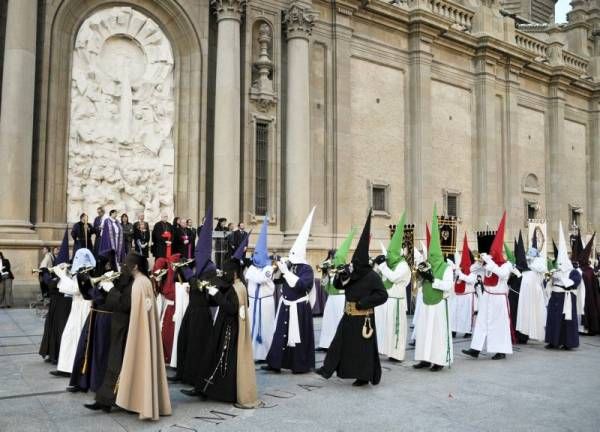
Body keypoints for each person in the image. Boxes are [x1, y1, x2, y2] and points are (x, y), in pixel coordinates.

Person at [316, 209, 388, 386]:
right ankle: (327, 369)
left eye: (357, 261)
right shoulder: (353, 273)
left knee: (362, 349)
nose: (354, 264)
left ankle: (363, 376)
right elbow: (339, 286)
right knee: (338, 343)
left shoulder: (372, 277)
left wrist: (364, 303)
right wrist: (342, 276)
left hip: (364, 318)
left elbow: (382, 295)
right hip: (348, 315)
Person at [113, 252, 172, 420]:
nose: (124, 266)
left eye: (127, 264)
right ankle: (142, 401)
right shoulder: (145, 282)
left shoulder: (140, 284)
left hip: (139, 331)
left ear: (136, 266)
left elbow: (138, 312)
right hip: (142, 331)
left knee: (140, 363)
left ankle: (142, 402)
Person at [263, 207, 316, 374]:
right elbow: (279, 280)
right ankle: (275, 362)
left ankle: (299, 365)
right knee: (280, 335)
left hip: (299, 308)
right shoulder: (290, 266)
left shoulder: (306, 269)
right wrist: (276, 270)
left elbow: (301, 285)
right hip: (286, 305)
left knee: (297, 336)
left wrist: (286, 272)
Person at [170, 207, 216, 384]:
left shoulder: (210, 269)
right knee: (184, 339)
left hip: (202, 311)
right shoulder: (198, 265)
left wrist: (188, 273)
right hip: (192, 309)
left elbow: (200, 287)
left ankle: (194, 377)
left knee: (197, 344)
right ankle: (182, 373)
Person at [85, 259, 135, 412]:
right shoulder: (124, 281)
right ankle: (104, 400)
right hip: (117, 327)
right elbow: (110, 302)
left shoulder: (134, 284)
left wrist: (112, 289)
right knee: (112, 365)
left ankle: (112, 400)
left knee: (119, 366)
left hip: (126, 329)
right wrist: (103, 288)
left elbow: (125, 304)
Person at [463, 212, 513, 360]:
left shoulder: (506, 265)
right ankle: (475, 348)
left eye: (493, 252)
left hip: (499, 298)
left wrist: (490, 263)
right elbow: (471, 270)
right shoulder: (486, 265)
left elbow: (503, 275)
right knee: (481, 321)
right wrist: (480, 262)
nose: (491, 254)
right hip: (487, 297)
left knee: (498, 324)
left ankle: (500, 350)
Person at [413, 205, 454, 371]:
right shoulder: (427, 264)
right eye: (430, 255)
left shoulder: (446, 268)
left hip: (439, 304)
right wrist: (421, 277)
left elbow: (448, 286)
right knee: (423, 331)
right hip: (426, 302)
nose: (431, 258)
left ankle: (438, 360)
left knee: (437, 332)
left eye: (434, 255)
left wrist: (433, 279)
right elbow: (420, 283)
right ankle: (424, 358)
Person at [68, 252, 115, 393]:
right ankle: (82, 382)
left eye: (105, 263)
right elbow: (88, 295)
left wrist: (104, 288)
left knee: (99, 352)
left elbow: (103, 299)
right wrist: (85, 283)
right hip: (94, 315)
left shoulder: (113, 278)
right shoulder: (101, 276)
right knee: (84, 348)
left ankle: (96, 383)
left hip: (105, 318)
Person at [51, 249, 95, 377]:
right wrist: (67, 273)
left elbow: (75, 289)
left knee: (76, 338)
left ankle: (74, 369)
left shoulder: (87, 272)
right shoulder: (80, 272)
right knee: (68, 336)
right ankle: (65, 367)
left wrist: (62, 275)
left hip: (83, 308)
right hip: (76, 307)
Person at [374, 212, 411, 362]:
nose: (388, 255)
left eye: (391, 253)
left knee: (396, 329)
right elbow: (381, 277)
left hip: (396, 301)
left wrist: (383, 266)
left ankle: (396, 353)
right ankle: (385, 350)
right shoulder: (388, 265)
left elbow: (394, 277)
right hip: (385, 300)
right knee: (385, 328)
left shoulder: (402, 265)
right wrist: (376, 265)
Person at [544, 221, 583, 350]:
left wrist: (562, 279)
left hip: (566, 299)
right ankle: (552, 341)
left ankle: (568, 342)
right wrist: (552, 278)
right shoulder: (556, 271)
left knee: (566, 322)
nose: (559, 265)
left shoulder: (574, 272)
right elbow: (549, 284)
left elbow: (573, 283)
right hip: (555, 298)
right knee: (553, 320)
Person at [243, 217, 276, 360]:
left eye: (258, 254)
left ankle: (267, 353)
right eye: (254, 253)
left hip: (265, 302)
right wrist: (257, 271)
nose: (255, 256)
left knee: (266, 328)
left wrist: (259, 272)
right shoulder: (251, 268)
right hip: (253, 302)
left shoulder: (269, 267)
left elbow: (263, 278)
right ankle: (253, 353)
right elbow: (252, 277)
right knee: (252, 327)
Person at [318, 228, 355, 351]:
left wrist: (340, 272)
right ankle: (326, 344)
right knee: (328, 321)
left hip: (341, 298)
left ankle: (341, 345)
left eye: (335, 258)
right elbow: (324, 284)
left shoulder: (347, 269)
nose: (333, 260)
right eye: (333, 257)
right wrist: (324, 274)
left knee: (339, 321)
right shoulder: (330, 268)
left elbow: (347, 282)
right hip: (331, 298)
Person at [39, 229, 73, 364]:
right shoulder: (58, 278)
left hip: (61, 307)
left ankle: (56, 355)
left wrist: (48, 275)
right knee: (54, 329)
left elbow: (52, 285)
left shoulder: (64, 278)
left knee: (58, 330)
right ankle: (52, 354)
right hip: (57, 307)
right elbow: (49, 284)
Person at [516, 234, 548, 342]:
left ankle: (534, 333)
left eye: (531, 255)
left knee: (534, 313)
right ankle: (525, 333)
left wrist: (530, 263)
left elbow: (541, 269)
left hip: (534, 292)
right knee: (525, 313)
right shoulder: (527, 264)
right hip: (525, 293)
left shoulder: (539, 263)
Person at [152, 253, 181, 364]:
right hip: (165, 304)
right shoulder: (164, 270)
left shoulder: (173, 274)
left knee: (168, 333)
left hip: (171, 306)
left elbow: (169, 292)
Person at [451, 234, 479, 338]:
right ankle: (453, 330)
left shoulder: (473, 269)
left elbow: (471, 280)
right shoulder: (460, 268)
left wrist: (462, 275)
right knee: (455, 314)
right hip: (458, 295)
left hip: (467, 296)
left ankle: (468, 331)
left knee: (466, 316)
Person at [579, 233, 600, 335]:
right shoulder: (588, 271)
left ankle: (590, 327)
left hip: (589, 296)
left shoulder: (588, 271)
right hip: (588, 296)